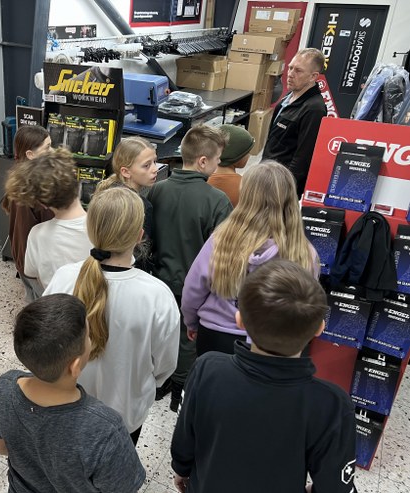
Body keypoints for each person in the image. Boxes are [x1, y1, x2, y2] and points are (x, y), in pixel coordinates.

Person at [171, 260, 357, 493]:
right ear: (319, 328)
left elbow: (184, 436)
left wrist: (181, 468)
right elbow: (336, 486)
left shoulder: (207, 369)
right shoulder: (332, 405)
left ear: (240, 320)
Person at [44, 188, 179, 444]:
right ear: (139, 236)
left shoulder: (63, 278)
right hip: (124, 418)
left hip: (68, 409)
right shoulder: (158, 296)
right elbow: (165, 366)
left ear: (91, 230)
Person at [0, 293, 146, 492]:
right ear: (75, 366)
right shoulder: (104, 428)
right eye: (88, 337)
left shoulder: (5, 387)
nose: (90, 340)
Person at [181, 161, 319, 356]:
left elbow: (194, 287)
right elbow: (308, 302)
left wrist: (191, 322)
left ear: (246, 196)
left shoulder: (222, 240)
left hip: (217, 334)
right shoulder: (303, 252)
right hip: (275, 341)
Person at [147, 125, 232, 411]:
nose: (219, 164)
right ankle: (179, 390)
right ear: (203, 161)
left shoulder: (156, 190)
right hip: (193, 287)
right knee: (186, 338)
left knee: (159, 332)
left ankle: (158, 384)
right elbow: (222, 253)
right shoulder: (217, 201)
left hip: (157, 280)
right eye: (218, 159)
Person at [6, 147, 93, 292]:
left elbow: (32, 274)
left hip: (54, 302)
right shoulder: (100, 228)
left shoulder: (37, 234)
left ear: (42, 203)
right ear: (77, 183)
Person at [263, 47, 328, 198]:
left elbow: (303, 158)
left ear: (313, 76)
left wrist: (283, 190)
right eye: (291, 68)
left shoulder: (314, 109)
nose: (290, 74)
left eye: (298, 71)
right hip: (267, 177)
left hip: (280, 188)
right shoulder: (289, 97)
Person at [1, 125, 54, 301]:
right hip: (33, 264)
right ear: (30, 154)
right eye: (47, 147)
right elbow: (27, 231)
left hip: (25, 261)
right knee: (44, 305)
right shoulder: (31, 189)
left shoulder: (20, 178)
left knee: (33, 301)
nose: (52, 151)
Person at [96, 136, 158, 271]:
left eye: (155, 161)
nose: (155, 169)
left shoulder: (104, 194)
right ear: (125, 171)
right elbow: (140, 255)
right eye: (146, 165)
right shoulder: (141, 207)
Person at [207, 124, 255, 207]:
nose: (249, 155)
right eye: (247, 152)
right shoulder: (245, 187)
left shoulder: (200, 180)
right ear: (237, 156)